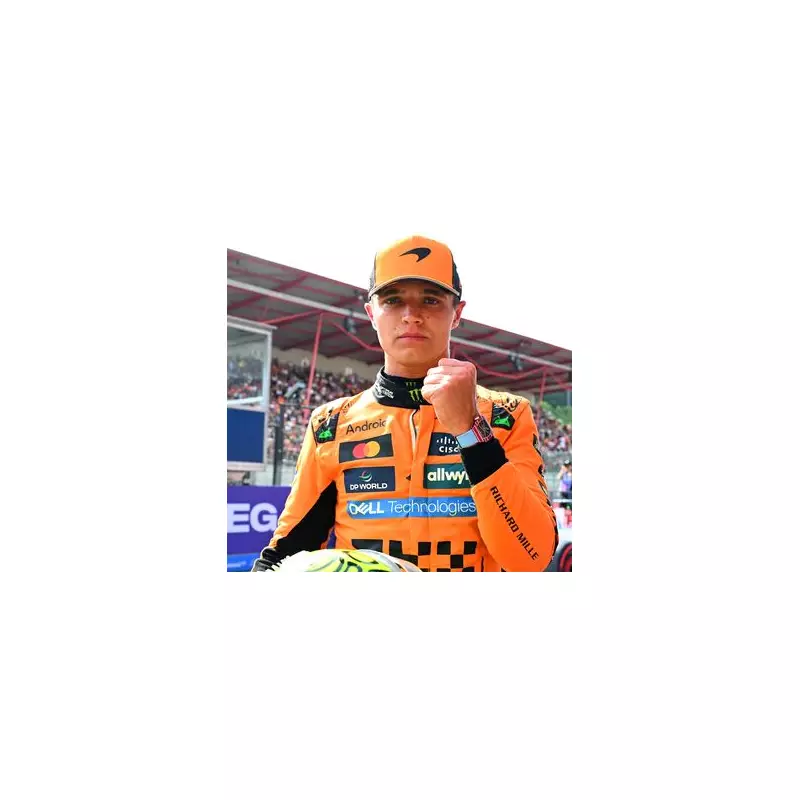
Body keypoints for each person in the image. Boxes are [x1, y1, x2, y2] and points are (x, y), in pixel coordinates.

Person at [251, 235, 559, 572]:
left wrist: (472, 431)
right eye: (393, 300)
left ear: (457, 314)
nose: (411, 315)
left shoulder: (505, 414)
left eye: (431, 300)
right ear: (371, 313)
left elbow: (532, 558)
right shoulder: (330, 424)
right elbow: (285, 554)